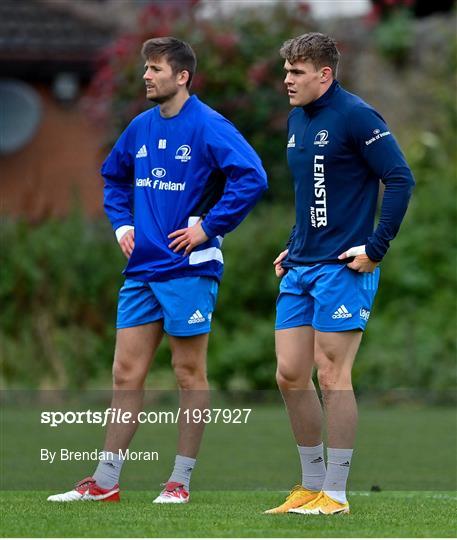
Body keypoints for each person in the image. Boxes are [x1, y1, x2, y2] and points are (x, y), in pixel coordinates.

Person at [48, 37, 267, 504]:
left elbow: (252, 176)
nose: (146, 76)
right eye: (145, 68)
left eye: (155, 69)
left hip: (189, 270)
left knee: (189, 374)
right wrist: (122, 224)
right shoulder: (140, 127)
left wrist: (208, 228)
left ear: (182, 76)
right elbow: (113, 176)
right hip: (142, 271)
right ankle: (104, 483)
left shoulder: (209, 126)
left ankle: (179, 482)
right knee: (125, 374)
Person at [265, 33, 414, 515]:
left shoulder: (356, 115)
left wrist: (376, 248)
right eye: (286, 71)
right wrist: (293, 241)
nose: (287, 80)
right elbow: (312, 191)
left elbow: (399, 178)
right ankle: (310, 485)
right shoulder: (295, 120)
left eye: (297, 72)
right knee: (290, 375)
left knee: (332, 376)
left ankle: (336, 493)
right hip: (301, 266)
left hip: (342, 270)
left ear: (324, 75)